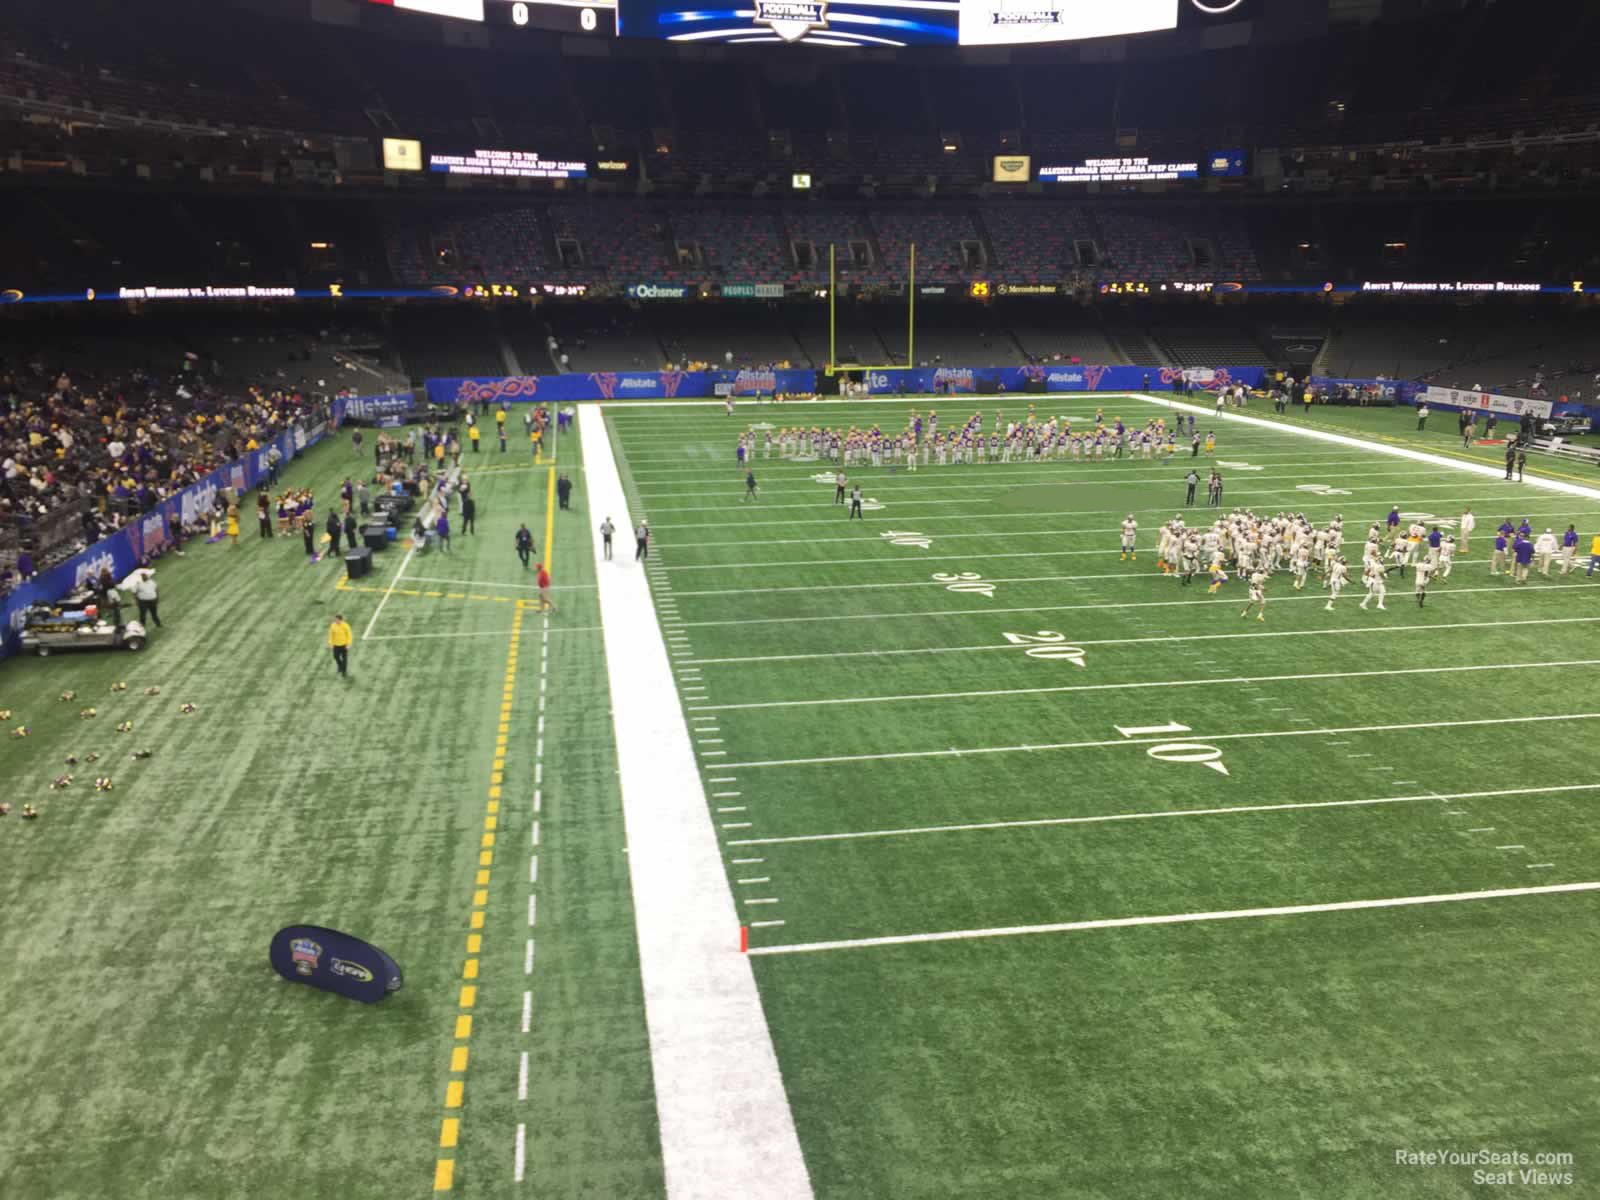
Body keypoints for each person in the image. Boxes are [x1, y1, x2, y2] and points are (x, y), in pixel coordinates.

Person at [327, 613, 352, 678]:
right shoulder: (333, 625)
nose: (335, 621)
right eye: (335, 620)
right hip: (336, 645)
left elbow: (349, 635)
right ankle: (340, 666)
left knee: (344, 659)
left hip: (344, 645)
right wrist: (330, 643)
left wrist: (348, 644)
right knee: (335, 656)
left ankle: (344, 672)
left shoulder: (345, 626)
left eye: (337, 620)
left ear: (341, 620)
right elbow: (331, 635)